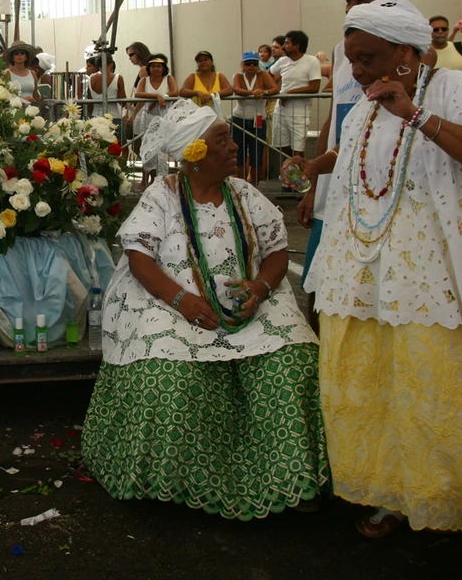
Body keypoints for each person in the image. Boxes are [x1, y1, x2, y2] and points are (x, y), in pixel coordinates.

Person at [299, 0, 462, 553]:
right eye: (352, 59)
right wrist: (315, 169)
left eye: (369, 57)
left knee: (434, 381)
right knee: (380, 383)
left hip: (443, 271)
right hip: (370, 267)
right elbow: (361, 154)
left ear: (407, 51)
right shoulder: (369, 102)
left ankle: (461, 497)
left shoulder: (457, 89)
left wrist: (416, 114)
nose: (357, 71)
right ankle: (395, 492)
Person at [81, 99, 326, 521]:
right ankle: (173, 483)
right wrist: (182, 300)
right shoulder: (162, 196)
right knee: (167, 372)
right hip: (173, 304)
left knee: (294, 360)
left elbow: (277, 254)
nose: (234, 147)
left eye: (231, 138)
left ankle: (290, 478)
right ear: (194, 154)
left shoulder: (246, 194)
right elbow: (139, 259)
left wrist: (261, 287)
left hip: (250, 304)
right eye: (223, 140)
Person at [295, 0, 404, 324]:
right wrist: (315, 183)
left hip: (379, 199)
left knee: (367, 300)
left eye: (362, 0)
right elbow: (335, 119)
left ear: (393, 1)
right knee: (317, 289)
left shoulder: (410, 60)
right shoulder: (344, 51)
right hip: (334, 189)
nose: (350, 7)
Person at [126, 54, 177, 191]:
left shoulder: (169, 79)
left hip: (162, 118)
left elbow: (175, 92)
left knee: (159, 151)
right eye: (153, 66)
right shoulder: (144, 80)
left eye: (159, 66)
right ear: (149, 68)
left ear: (163, 68)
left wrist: (163, 97)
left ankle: (158, 179)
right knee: (144, 149)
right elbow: (139, 94)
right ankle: (144, 178)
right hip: (146, 119)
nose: (156, 69)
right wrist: (156, 96)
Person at [269, 30, 321, 159]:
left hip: (300, 113)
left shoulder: (312, 61)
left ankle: (298, 177)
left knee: (298, 148)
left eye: (287, 43)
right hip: (281, 110)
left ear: (297, 46)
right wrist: (273, 89)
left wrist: (290, 93)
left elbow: (315, 87)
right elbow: (268, 74)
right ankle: (287, 174)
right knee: (281, 146)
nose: (283, 46)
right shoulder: (282, 61)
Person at [231, 51, 279, 185]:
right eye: (248, 63)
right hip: (239, 118)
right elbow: (237, 90)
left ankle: (254, 186)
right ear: (243, 65)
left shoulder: (263, 75)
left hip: (258, 119)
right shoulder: (238, 76)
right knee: (238, 154)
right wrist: (254, 93)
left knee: (256, 154)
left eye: (254, 63)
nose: (251, 66)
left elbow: (275, 88)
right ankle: (240, 184)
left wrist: (264, 92)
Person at [85, 53, 126, 126]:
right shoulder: (118, 78)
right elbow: (122, 101)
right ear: (111, 64)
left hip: (96, 117)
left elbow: (90, 102)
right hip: (113, 117)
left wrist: (89, 116)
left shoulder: (91, 78)